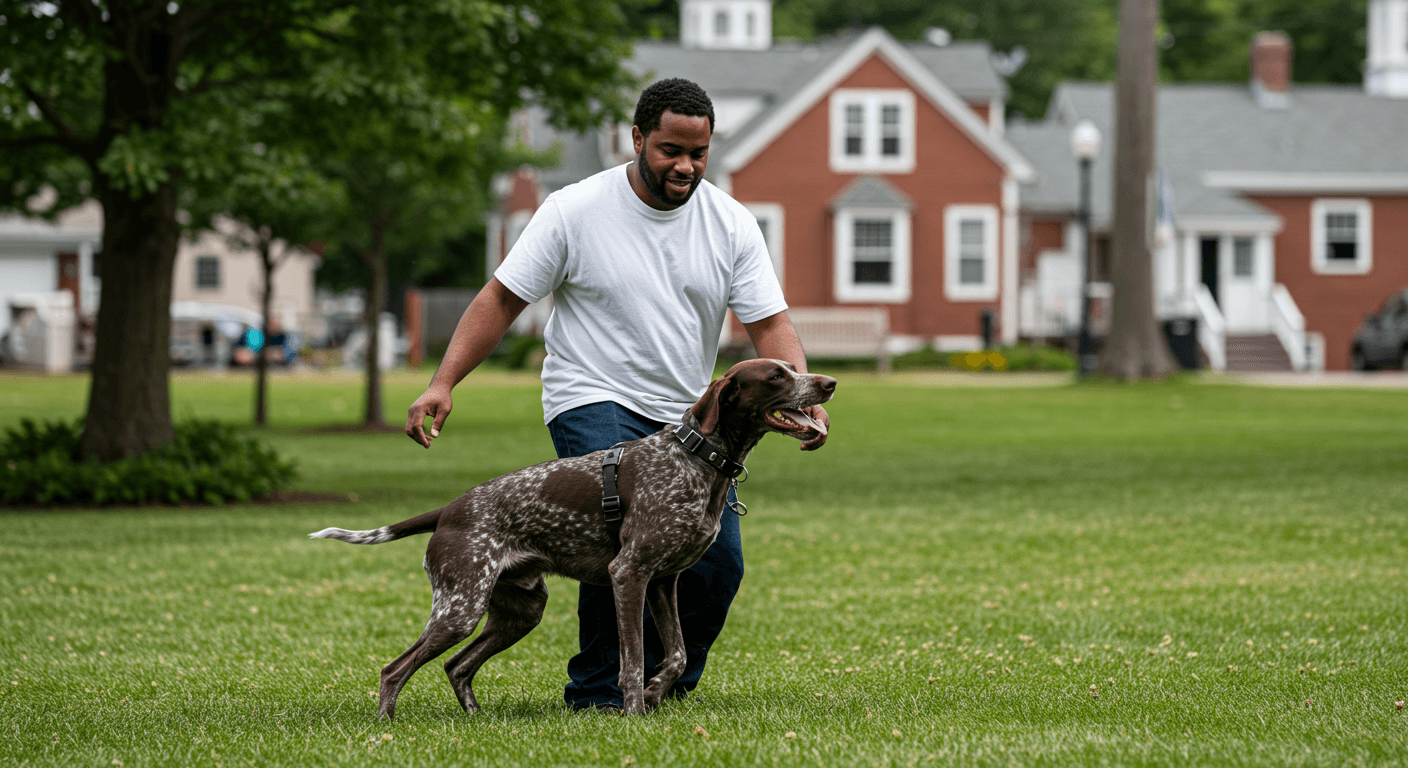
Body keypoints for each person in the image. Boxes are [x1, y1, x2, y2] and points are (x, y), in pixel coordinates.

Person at [404, 77, 829, 711]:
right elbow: (502, 298)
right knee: (622, 545)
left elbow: (770, 324)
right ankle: (600, 693)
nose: (685, 165)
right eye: (669, 150)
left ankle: (664, 685)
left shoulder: (730, 223)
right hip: (592, 395)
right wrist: (442, 382)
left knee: (716, 565)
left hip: (689, 418)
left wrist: (797, 393)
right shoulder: (574, 209)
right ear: (637, 139)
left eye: (698, 152)